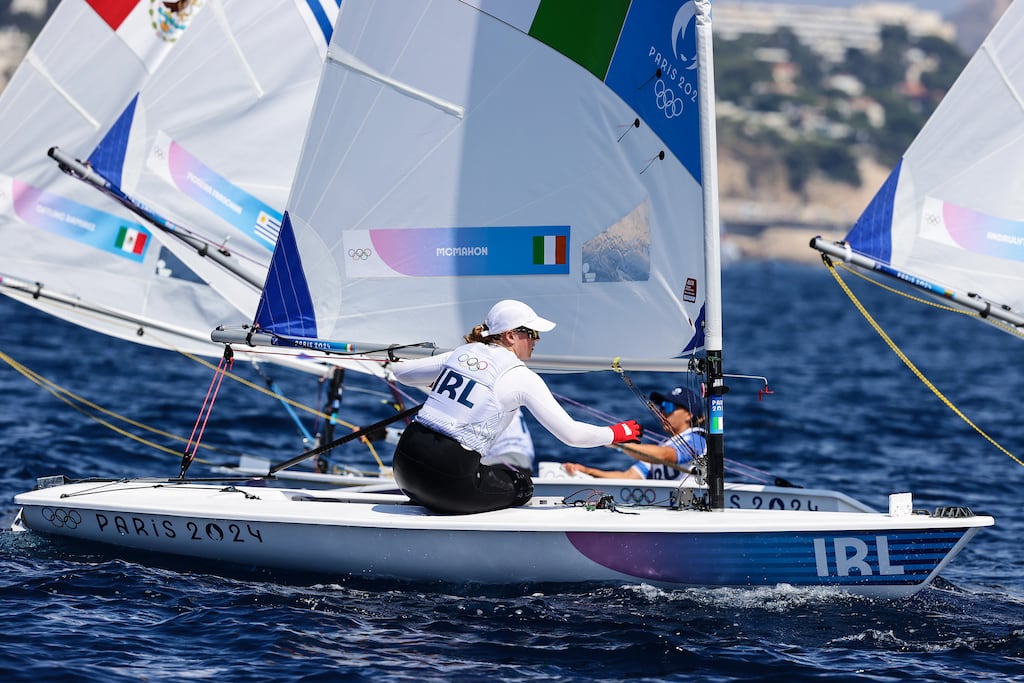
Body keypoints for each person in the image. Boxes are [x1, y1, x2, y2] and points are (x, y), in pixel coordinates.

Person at [389, 299, 643, 514]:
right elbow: (572, 435)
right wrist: (617, 433)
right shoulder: (522, 377)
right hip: (447, 479)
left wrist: (437, 375)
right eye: (531, 333)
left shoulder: (460, 354)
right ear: (510, 336)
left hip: (404, 466)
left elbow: (402, 374)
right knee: (522, 486)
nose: (537, 340)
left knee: (481, 472)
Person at [562, 386, 706, 481]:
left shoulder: (698, 438)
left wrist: (616, 442)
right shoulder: (664, 445)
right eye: (660, 407)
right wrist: (586, 471)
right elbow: (629, 476)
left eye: (668, 407)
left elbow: (664, 456)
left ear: (689, 415)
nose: (662, 412)